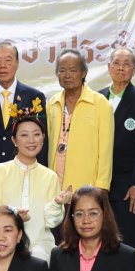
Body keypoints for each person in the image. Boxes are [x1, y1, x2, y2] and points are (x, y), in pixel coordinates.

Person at [0, 110, 73, 262]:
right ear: (14, 140)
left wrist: (57, 203)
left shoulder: (50, 176)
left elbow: (52, 221)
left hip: (40, 246)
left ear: (43, 138)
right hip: (3, 244)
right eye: (24, 135)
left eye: (36, 134)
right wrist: (13, 213)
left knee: (38, 257)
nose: (31, 140)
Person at [99, 48, 135, 248]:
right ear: (108, 67)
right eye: (116, 63)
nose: (121, 68)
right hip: (98, 184)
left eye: (126, 64)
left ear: (134, 69)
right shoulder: (97, 98)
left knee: (126, 240)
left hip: (127, 187)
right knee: (98, 238)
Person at [46, 49, 114, 191]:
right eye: (62, 70)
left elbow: (106, 151)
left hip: (86, 186)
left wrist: (102, 186)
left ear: (83, 73)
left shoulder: (100, 103)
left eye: (73, 70)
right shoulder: (52, 103)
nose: (67, 75)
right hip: (53, 185)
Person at [0, 41, 47, 168]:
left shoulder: (34, 97)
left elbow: (42, 140)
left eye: (8, 60)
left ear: (17, 63)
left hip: (24, 169)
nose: (3, 66)